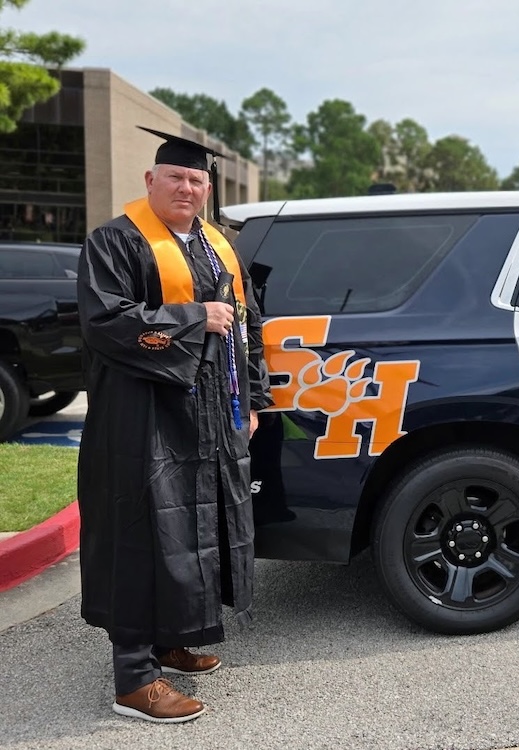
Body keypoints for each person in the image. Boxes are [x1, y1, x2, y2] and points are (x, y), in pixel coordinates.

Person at [76, 127, 272, 723]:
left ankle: (169, 641)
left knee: (192, 531)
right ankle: (133, 679)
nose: (186, 188)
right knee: (141, 534)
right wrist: (192, 318)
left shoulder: (217, 245)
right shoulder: (116, 241)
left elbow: (247, 325)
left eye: (196, 180)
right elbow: (105, 322)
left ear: (207, 188)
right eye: (175, 178)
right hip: (143, 420)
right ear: (150, 181)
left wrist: (254, 398)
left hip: (212, 416)